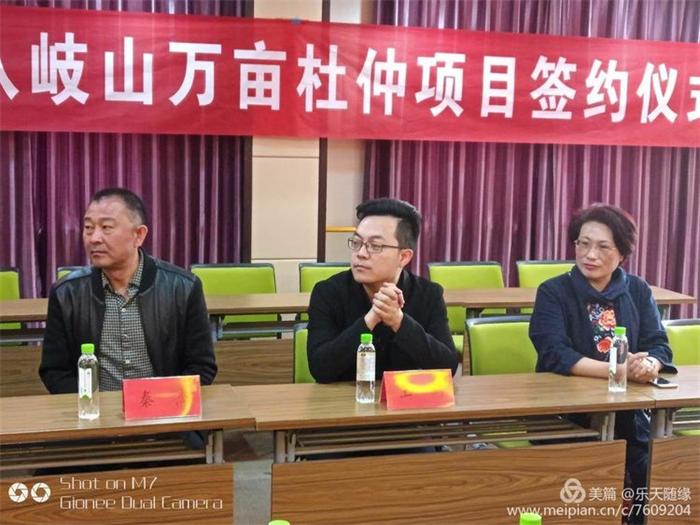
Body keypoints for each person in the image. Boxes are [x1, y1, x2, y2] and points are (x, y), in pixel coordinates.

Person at [529, 203, 675, 524]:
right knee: (579, 485)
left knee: (653, 470)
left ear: (622, 253)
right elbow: (554, 352)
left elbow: (658, 344)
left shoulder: (637, 290)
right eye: (583, 244)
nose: (590, 254)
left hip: (628, 413)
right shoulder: (554, 291)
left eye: (602, 247)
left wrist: (649, 364)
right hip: (567, 412)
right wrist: (618, 370)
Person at [40, 188, 217, 395]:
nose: (94, 238)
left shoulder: (183, 288)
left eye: (106, 227)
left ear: (138, 235)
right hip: (94, 410)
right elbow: (54, 371)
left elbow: (201, 367)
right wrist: (90, 405)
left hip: (164, 408)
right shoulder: (66, 293)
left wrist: (165, 402)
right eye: (88, 228)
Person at [307, 197, 459, 383]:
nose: (361, 253)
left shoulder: (429, 294)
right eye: (357, 242)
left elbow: (447, 367)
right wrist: (371, 319)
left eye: (375, 246)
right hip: (344, 399)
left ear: (403, 257)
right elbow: (320, 369)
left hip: (405, 398)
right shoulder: (328, 293)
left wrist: (399, 321)